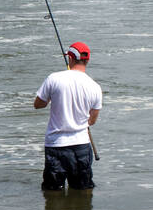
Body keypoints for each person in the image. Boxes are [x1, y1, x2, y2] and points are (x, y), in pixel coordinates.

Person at [33, 40, 102, 190]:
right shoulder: (95, 87)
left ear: (70, 58)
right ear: (87, 60)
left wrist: (53, 99)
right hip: (82, 146)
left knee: (52, 193)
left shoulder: (54, 78)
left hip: (56, 146)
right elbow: (92, 120)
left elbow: (38, 104)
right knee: (82, 192)